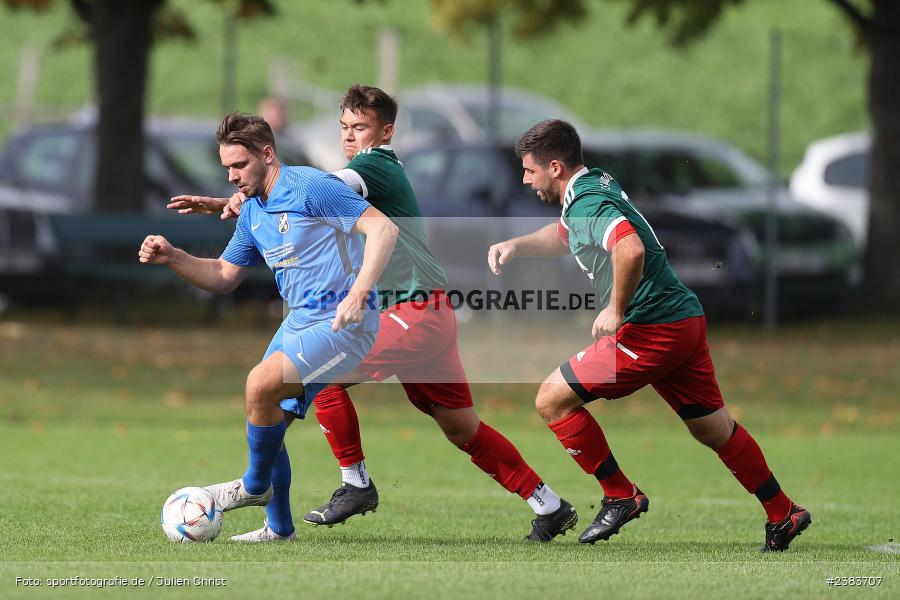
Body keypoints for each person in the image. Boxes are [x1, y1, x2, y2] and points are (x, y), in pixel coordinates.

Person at [168, 85, 579, 543]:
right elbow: (288, 204)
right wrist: (233, 201)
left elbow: (317, 190)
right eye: (343, 126)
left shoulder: (373, 165)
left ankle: (353, 482)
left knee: (310, 376)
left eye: (359, 127)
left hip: (408, 309)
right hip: (428, 313)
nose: (348, 136)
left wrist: (237, 198)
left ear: (385, 132)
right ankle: (549, 504)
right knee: (462, 428)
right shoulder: (344, 173)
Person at [487, 119, 811, 552]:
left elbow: (630, 247)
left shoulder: (586, 202)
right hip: (683, 320)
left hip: (652, 328)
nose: (525, 180)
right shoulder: (592, 186)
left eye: (529, 171)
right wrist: (518, 245)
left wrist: (615, 309)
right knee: (714, 429)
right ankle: (782, 511)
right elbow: (567, 234)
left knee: (552, 399)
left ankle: (621, 495)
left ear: (555, 166)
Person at [141, 112, 398, 542]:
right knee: (268, 415)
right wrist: (174, 256)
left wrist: (360, 293)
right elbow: (224, 275)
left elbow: (382, 228)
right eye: (226, 168)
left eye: (239, 166)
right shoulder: (252, 211)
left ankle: (254, 487)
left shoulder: (310, 186)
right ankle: (279, 529)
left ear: (267, 153)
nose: (232, 177)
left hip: (343, 321)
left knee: (259, 386)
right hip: (299, 320)